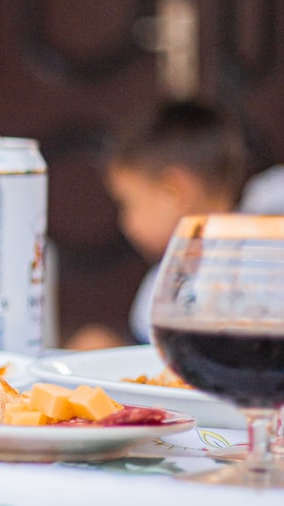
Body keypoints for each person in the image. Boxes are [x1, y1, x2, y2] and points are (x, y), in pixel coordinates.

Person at [66, 98, 248, 350]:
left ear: (175, 192)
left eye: (128, 202)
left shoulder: (233, 277)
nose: (124, 222)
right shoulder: (167, 271)